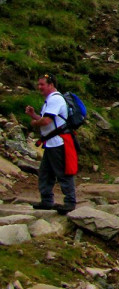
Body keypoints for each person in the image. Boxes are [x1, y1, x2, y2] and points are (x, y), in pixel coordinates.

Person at [24, 73, 77, 213]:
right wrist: (34, 115)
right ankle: (47, 200)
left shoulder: (55, 99)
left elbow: (46, 121)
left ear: (51, 85)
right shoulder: (51, 100)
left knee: (63, 172)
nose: (39, 87)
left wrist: (34, 122)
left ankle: (70, 202)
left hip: (58, 143)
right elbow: (49, 119)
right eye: (39, 84)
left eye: (42, 84)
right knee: (45, 172)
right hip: (51, 143)